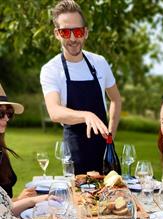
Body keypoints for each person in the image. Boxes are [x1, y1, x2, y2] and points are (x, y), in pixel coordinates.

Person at [40, 0, 121, 175]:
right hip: (75, 155)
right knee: (79, 201)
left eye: (77, 31)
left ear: (85, 32)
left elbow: (115, 99)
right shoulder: (51, 69)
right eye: (65, 32)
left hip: (105, 153)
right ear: (56, 34)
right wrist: (86, 115)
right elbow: (54, 112)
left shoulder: (99, 63)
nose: (72, 38)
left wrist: (111, 135)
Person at [0, 84, 36, 200]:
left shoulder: (1, 148)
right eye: (0, 113)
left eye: (9, 112)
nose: (6, 118)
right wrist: (19, 200)